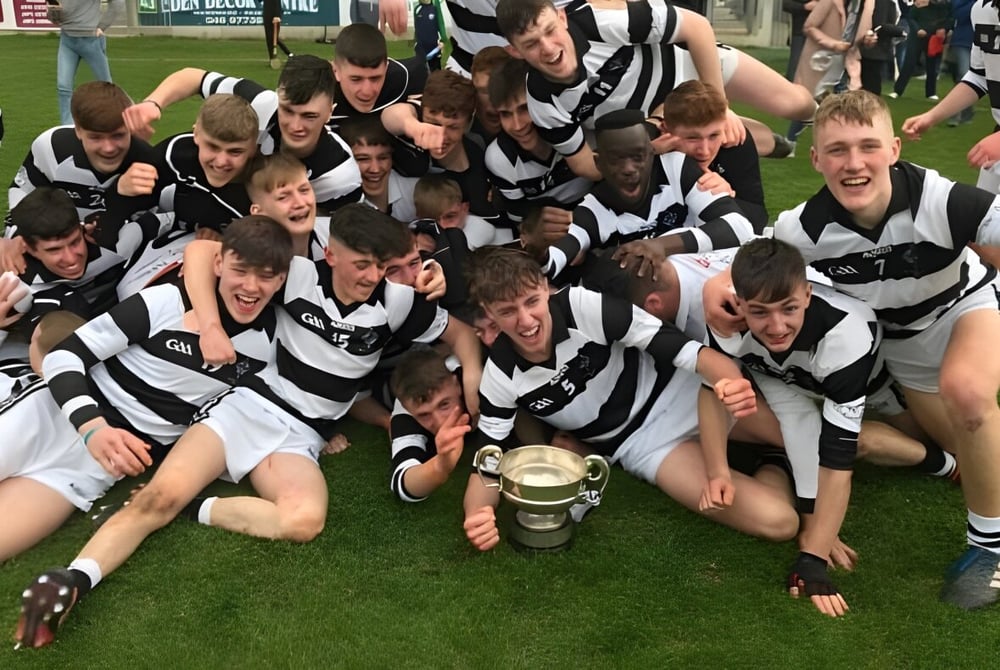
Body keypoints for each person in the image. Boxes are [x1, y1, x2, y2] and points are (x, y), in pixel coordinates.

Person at [767, 90, 1000, 611]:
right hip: (902, 347)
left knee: (968, 395)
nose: (854, 164)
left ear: (894, 149)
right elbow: (752, 267)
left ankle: (989, 553)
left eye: (868, 146)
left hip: (964, 308)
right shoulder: (801, 230)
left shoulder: (938, 198)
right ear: (816, 158)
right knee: (958, 453)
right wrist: (720, 292)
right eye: (838, 150)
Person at [4, 215, 289, 603]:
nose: (251, 287)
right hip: (53, 416)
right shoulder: (167, 300)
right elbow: (64, 357)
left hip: (94, 467)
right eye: (241, 271)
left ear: (283, 279)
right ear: (219, 265)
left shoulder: (272, 346)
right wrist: (93, 427)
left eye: (267, 276)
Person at [461, 247, 799, 552]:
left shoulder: (583, 306)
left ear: (544, 288)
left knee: (832, 443)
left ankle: (778, 450)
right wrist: (478, 514)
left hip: (683, 395)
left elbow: (687, 352)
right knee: (780, 521)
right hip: (641, 446)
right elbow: (488, 462)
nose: (526, 320)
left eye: (532, 301)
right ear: (489, 312)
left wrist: (728, 381)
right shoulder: (499, 378)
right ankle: (773, 459)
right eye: (507, 311)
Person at [706, 237, 959, 617]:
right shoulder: (726, 320)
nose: (775, 327)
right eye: (759, 312)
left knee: (860, 442)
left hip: (879, 384)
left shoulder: (844, 335)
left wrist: (814, 558)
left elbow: (837, 459)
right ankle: (945, 464)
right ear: (739, 304)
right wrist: (814, 526)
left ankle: (945, 462)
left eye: (789, 308)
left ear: (808, 295)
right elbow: (787, 417)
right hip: (796, 379)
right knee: (806, 426)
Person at [497, 0, 817, 181]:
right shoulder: (543, 101)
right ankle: (768, 141)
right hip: (651, 123)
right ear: (515, 52)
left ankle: (821, 110)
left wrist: (717, 106)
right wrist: (657, 145)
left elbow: (696, 27)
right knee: (752, 143)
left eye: (550, 30)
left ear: (562, 17)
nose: (549, 48)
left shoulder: (598, 21)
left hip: (688, 69)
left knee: (796, 104)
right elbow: (584, 165)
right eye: (531, 44)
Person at [119, 56, 363, 214]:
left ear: (330, 113)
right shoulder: (263, 104)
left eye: (309, 116)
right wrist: (154, 103)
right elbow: (194, 77)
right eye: (287, 110)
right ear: (278, 97)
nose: (294, 126)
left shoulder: (339, 174)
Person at [539, 110, 755, 284]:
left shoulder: (676, 169)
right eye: (616, 160)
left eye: (638, 157)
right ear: (598, 164)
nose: (629, 169)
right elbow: (550, 264)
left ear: (652, 154)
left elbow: (740, 228)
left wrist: (662, 245)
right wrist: (537, 246)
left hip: (710, 286)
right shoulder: (593, 210)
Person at [4, 82, 157, 274]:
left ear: (130, 131)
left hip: (116, 266)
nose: (108, 148)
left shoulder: (148, 162)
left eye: (118, 135)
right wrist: (16, 235)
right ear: (78, 130)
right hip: (55, 254)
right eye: (96, 137)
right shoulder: (51, 147)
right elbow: (22, 192)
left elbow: (154, 225)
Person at [484, 58, 591, 233]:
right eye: (505, 114)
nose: (517, 125)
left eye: (524, 109)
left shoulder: (584, 128)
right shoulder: (500, 158)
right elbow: (521, 220)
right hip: (548, 231)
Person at [654, 81, 768, 231]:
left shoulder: (735, 143)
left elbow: (758, 218)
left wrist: (725, 200)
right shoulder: (644, 148)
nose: (705, 151)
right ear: (665, 130)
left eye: (714, 136)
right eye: (692, 138)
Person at [389, 348, 472, 501]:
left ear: (456, 384)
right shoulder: (405, 412)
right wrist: (441, 465)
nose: (441, 422)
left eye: (444, 404)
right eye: (424, 415)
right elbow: (403, 483)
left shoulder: (471, 375)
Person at [330, 23, 426, 130]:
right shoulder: (317, 91)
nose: (367, 92)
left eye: (375, 78)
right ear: (335, 71)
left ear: (386, 67)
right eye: (356, 79)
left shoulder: (408, 78)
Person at [48, 0, 123, 125]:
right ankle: (67, 127)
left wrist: (102, 26)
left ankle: (118, 119)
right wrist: (54, 10)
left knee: (106, 86)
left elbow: (118, 3)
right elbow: (55, 19)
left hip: (91, 40)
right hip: (67, 39)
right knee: (63, 87)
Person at [338, 115, 418, 223]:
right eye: (363, 159)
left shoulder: (417, 191)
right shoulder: (337, 201)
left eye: (383, 158)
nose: (375, 169)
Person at [413, 0, 448, 72]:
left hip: (434, 47)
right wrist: (416, 42)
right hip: (421, 47)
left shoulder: (435, 8)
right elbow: (417, 28)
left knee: (436, 73)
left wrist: (442, 41)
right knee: (421, 72)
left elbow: (441, 25)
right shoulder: (417, 9)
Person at [262, 0, 292, 67]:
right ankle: (272, 59)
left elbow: (277, 3)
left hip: (275, 16)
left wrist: (277, 15)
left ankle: (289, 54)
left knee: (274, 37)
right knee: (269, 38)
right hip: (267, 14)